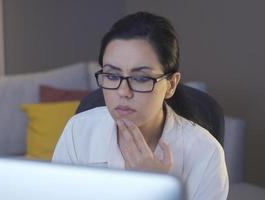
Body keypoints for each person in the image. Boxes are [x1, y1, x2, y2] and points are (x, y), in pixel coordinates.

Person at [52, 11, 228, 200]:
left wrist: (159, 191)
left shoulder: (206, 153)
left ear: (171, 85)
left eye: (141, 78)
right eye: (112, 76)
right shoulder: (78, 131)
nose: (123, 92)